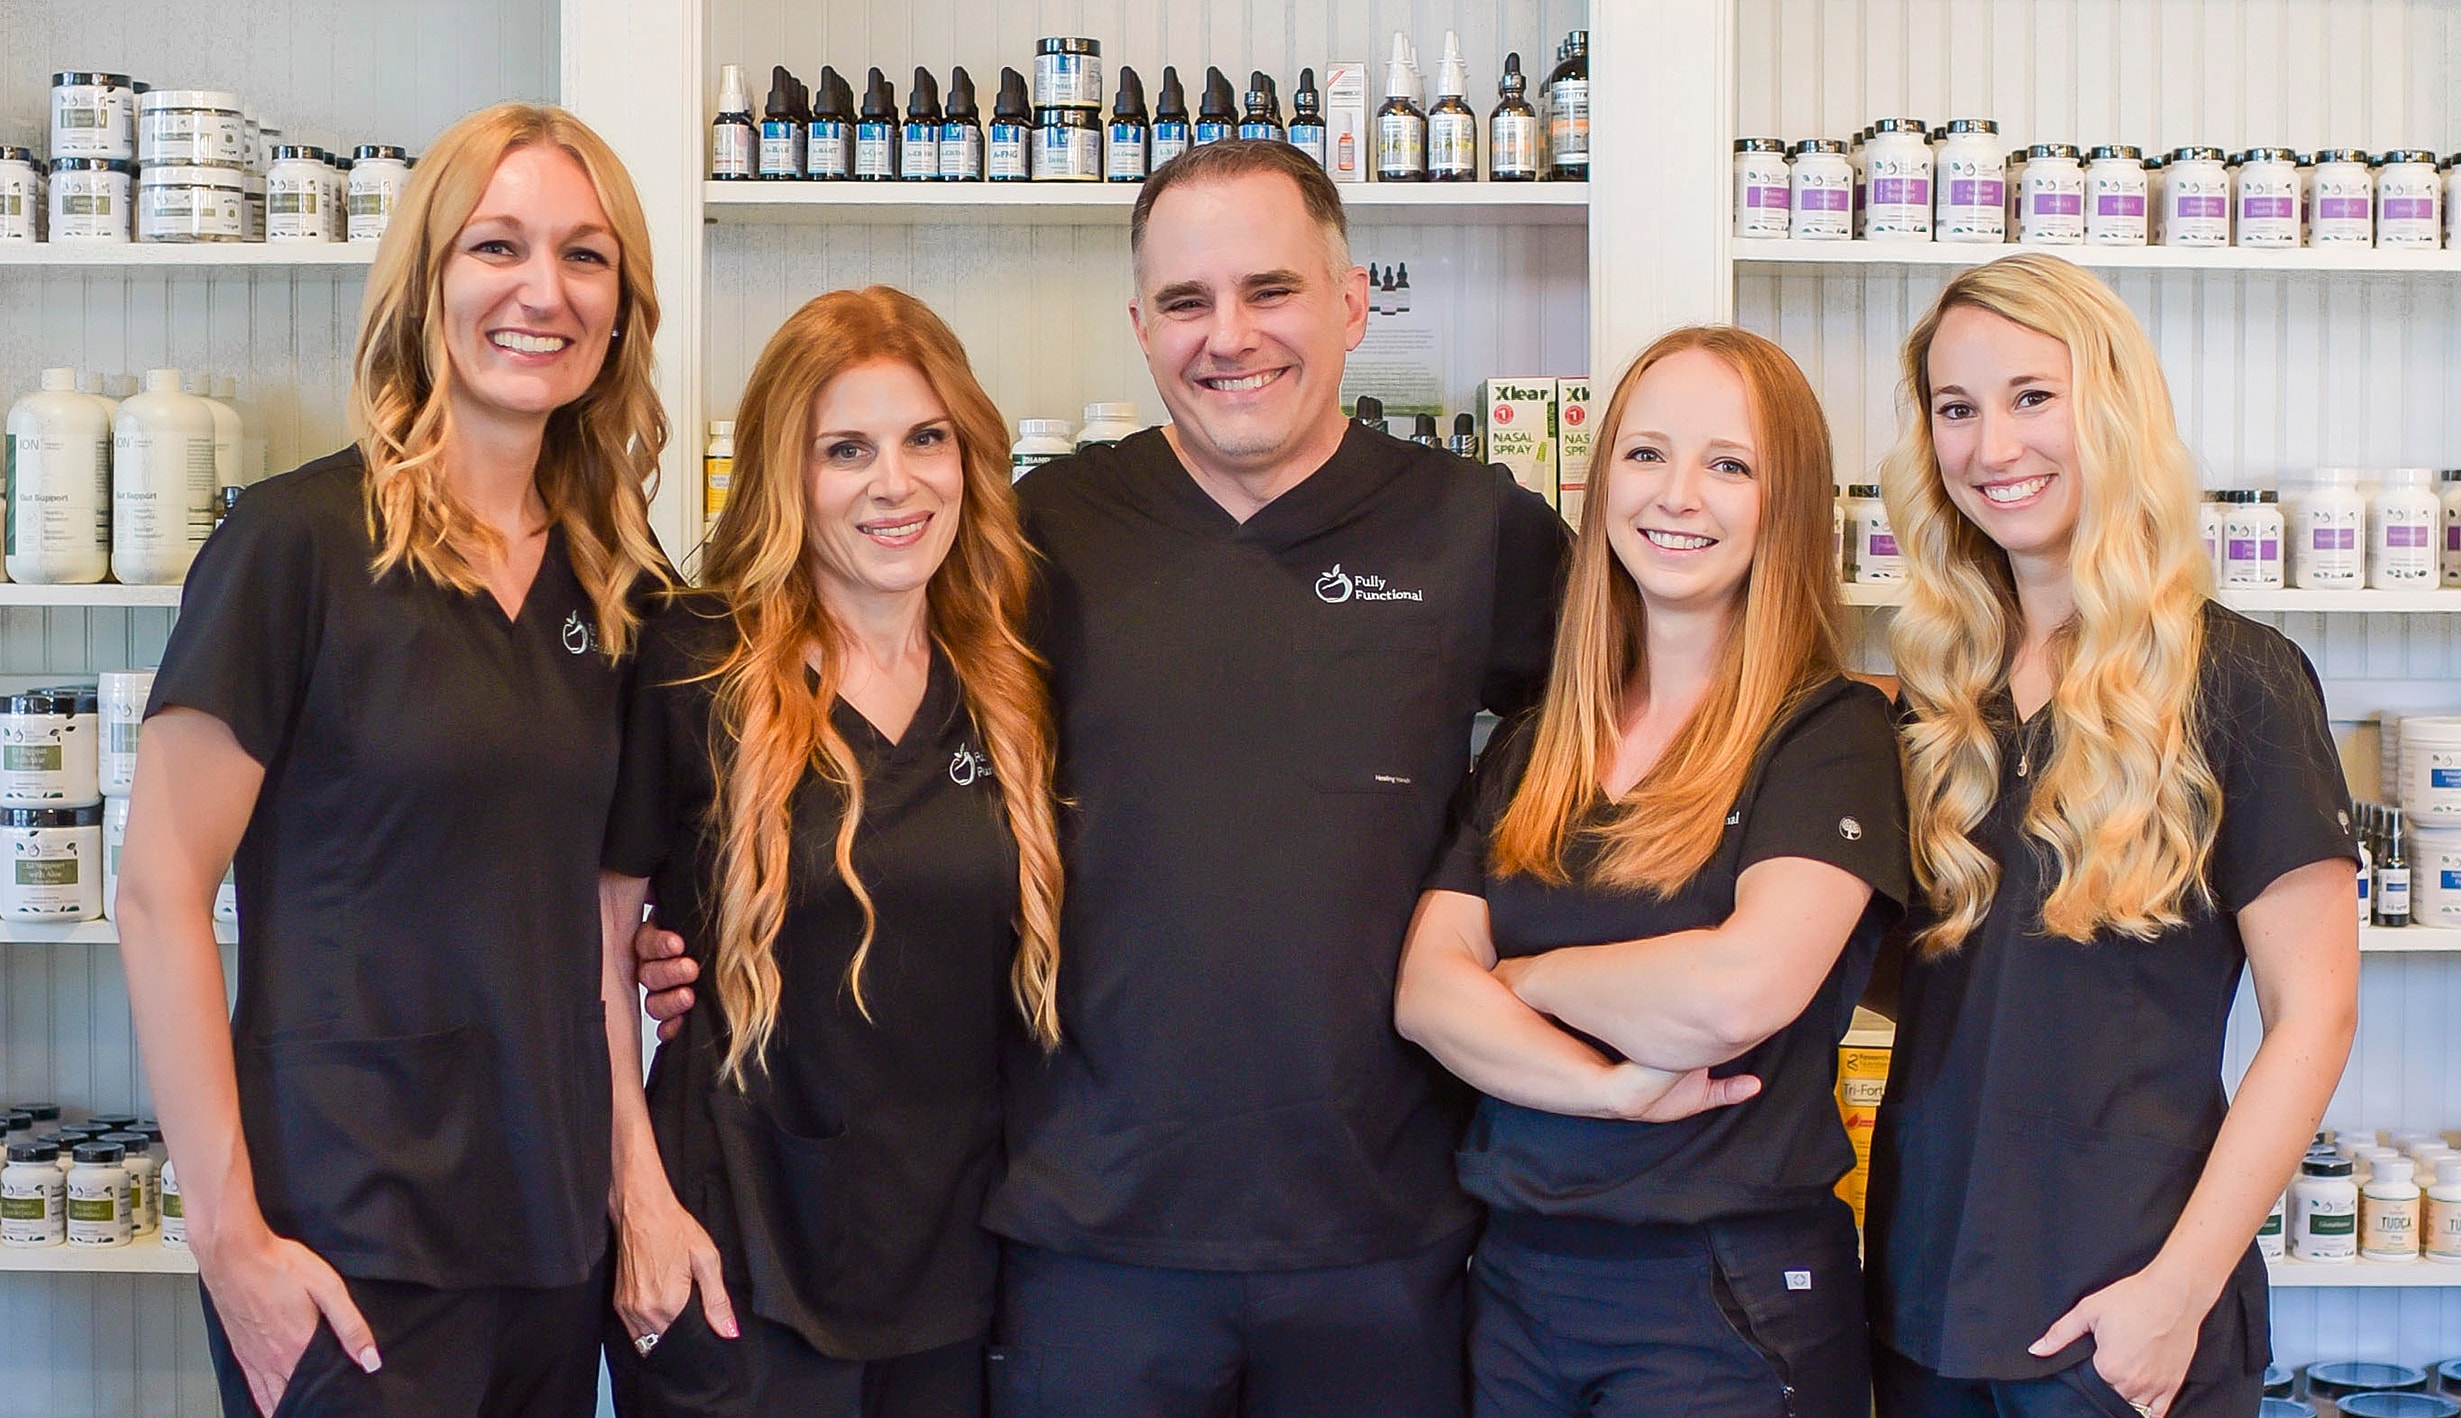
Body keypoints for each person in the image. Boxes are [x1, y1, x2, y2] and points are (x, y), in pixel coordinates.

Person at [640, 139, 1572, 1415]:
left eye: (1271, 291)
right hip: (1086, 1239)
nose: (1228, 335)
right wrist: (686, 911)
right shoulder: (1037, 535)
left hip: (1380, 1230)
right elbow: (860, 733)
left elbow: (1624, 732)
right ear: (1140, 327)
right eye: (1185, 303)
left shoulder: (1480, 529)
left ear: (1351, 302)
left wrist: (1532, 950)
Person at [115, 103, 669, 1418]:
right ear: (426, 280)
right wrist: (230, 1239)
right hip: (346, 1248)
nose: (545, 290)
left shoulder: (618, 582)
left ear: (620, 307)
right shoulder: (295, 544)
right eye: (498, 246)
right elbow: (156, 891)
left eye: (587, 257)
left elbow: (593, 909)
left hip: (549, 1249)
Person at [1863, 253, 2361, 1418]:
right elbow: (1939, 980)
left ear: (2113, 404)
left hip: (2123, 1322)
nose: (1993, 446)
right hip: (1924, 1299)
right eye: (1956, 409)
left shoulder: (2235, 679)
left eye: (2032, 395)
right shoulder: (1939, 696)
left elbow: (2315, 1013)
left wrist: (2173, 1295)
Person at [1396, 325, 1908, 1418]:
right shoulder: (1540, 740)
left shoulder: (1824, 734)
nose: (1677, 494)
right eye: (1644, 453)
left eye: (1728, 464)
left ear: (1786, 500)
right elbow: (1425, 995)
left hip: (1724, 1300)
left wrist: (1522, 981)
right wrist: (1609, 1084)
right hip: (1518, 1280)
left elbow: (1737, 992)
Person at [597, 285, 1064, 1418]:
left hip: (954, 1261)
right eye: (843, 449)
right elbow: (591, 948)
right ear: (783, 474)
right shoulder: (692, 661)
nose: (893, 483)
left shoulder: (1009, 677)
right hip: (732, 1246)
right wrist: (640, 1206)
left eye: (924, 439)